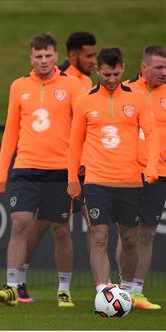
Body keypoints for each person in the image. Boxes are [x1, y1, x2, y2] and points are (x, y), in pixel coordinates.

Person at [0, 33, 84, 307]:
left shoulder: (73, 86)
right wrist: (1, 173)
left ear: (56, 57)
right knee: (20, 222)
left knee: (60, 229)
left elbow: (82, 130)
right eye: (38, 56)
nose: (43, 61)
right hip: (26, 167)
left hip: (60, 170)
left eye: (48, 56)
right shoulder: (19, 86)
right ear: (31, 58)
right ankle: (11, 286)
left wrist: (80, 168)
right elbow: (10, 131)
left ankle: (64, 288)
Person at [67, 48, 159, 303]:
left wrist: (151, 166)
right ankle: (103, 294)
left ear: (124, 68)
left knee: (130, 239)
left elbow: (151, 135)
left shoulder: (138, 99)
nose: (111, 79)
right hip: (97, 180)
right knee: (99, 236)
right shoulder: (84, 101)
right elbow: (75, 143)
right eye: (107, 74)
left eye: (116, 74)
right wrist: (72, 177)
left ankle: (127, 290)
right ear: (98, 70)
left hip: (129, 181)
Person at [17, 31, 97, 302]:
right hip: (61, 165)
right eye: (89, 55)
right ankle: (22, 278)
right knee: (48, 224)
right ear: (72, 55)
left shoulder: (83, 81)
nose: (93, 60)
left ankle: (103, 286)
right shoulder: (62, 80)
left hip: (82, 163)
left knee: (91, 223)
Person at [115, 44, 165, 310]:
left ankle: (138, 291)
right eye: (158, 67)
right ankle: (123, 289)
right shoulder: (124, 90)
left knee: (146, 234)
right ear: (143, 68)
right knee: (128, 234)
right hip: (130, 172)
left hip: (160, 174)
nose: (164, 72)